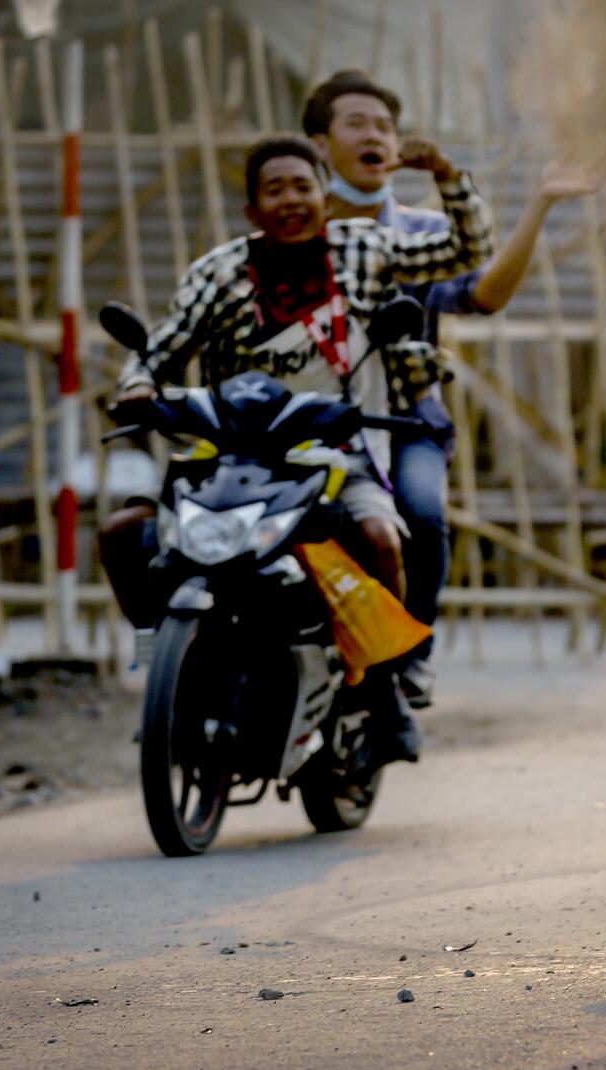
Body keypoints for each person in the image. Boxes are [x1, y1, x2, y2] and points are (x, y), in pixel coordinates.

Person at [98, 133, 492, 765]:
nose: (290, 201)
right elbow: (162, 348)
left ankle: (383, 684)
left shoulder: (364, 249)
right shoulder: (218, 271)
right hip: (224, 457)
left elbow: (465, 250)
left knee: (382, 539)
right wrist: (138, 385)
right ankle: (170, 669)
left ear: (325, 199)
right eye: (274, 191)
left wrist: (447, 172)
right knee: (123, 534)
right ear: (253, 211)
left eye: (302, 187)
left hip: (334, 455)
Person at [302, 70, 598, 707]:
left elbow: (484, 289)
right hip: (307, 417)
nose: (374, 135)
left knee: (424, 512)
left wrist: (541, 201)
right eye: (357, 123)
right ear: (320, 142)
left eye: (384, 125)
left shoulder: (417, 235)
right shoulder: (294, 231)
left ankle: (413, 655)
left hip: (404, 418)